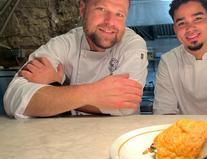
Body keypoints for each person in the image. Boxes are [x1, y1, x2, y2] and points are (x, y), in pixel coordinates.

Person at [4, 0, 148, 118]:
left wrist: (56, 87)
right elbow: (13, 98)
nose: (110, 22)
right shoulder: (64, 44)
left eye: (119, 14)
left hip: (120, 140)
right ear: (82, 9)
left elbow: (125, 106)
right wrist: (92, 94)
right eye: (101, 9)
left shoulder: (132, 44)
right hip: (65, 139)